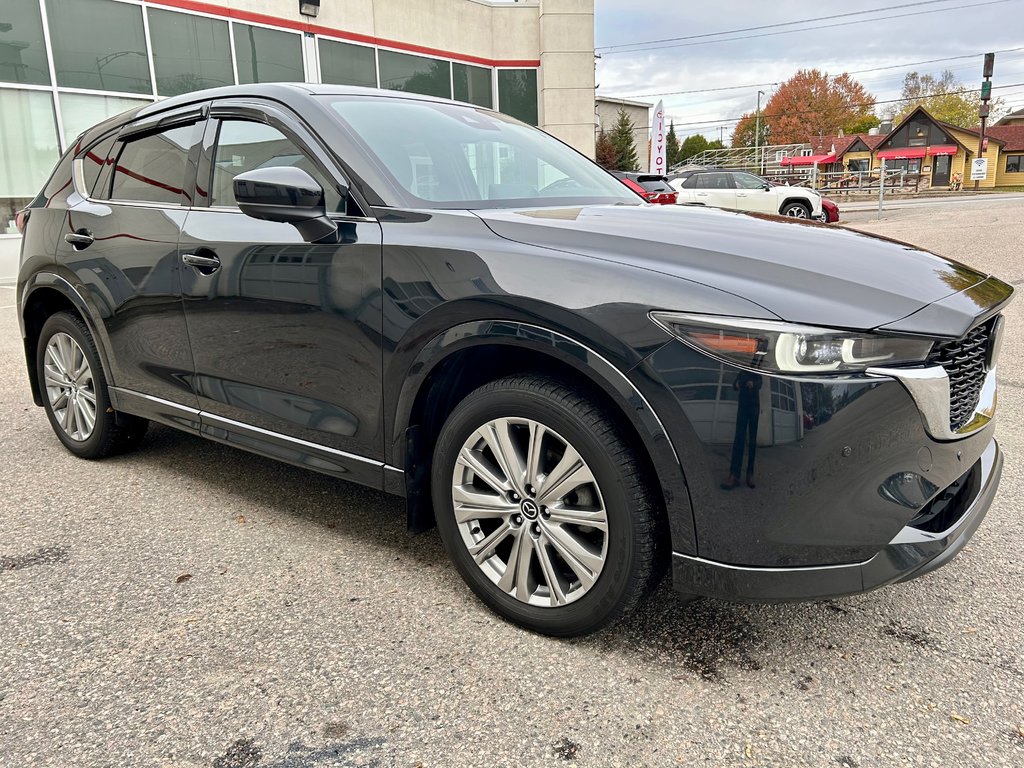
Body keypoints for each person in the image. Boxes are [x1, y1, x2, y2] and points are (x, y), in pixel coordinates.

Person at [721, 369, 763, 490]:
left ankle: (750, 474)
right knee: (739, 438)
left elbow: (760, 383)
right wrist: (737, 384)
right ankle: (734, 475)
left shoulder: (757, 371)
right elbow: (734, 384)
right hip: (743, 406)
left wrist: (752, 384)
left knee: (752, 440)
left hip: (754, 406)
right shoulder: (742, 371)